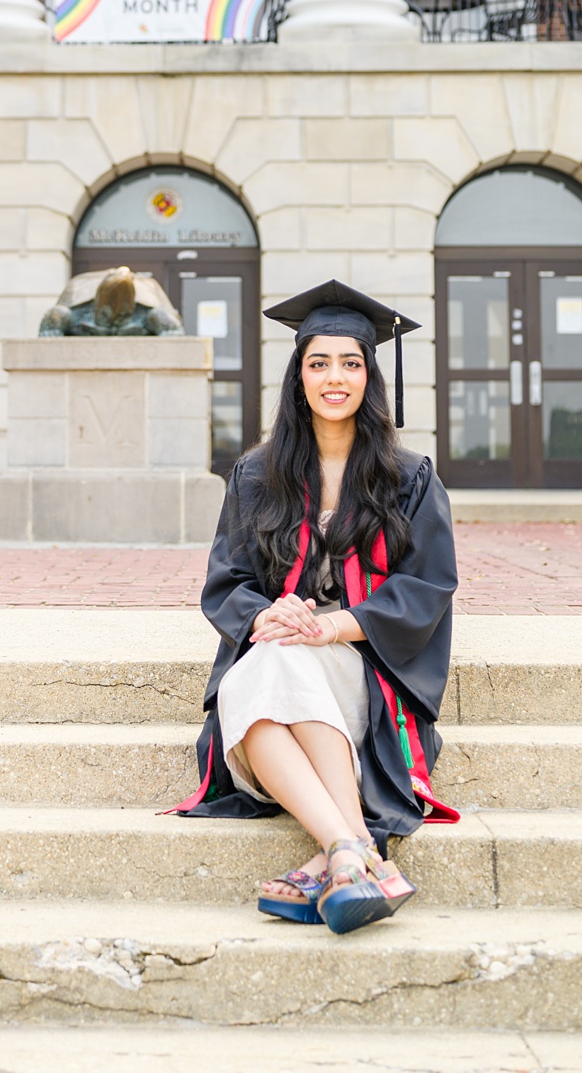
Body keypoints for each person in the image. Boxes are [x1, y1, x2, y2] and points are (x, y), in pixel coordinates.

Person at [167, 279, 459, 933]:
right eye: (319, 362)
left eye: (350, 363)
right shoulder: (255, 476)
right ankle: (351, 848)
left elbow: (427, 588)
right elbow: (228, 583)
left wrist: (332, 628)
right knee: (271, 655)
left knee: (271, 666)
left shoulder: (410, 478)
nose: (335, 377)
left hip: (365, 674)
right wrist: (262, 616)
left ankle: (337, 852)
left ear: (369, 376)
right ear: (298, 376)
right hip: (281, 672)